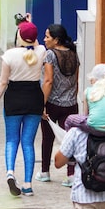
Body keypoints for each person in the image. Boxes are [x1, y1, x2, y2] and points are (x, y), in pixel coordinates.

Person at [0, 19, 46, 197]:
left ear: (19, 36)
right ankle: (28, 184)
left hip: (14, 98)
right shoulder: (42, 51)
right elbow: (35, 43)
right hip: (34, 99)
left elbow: (3, 82)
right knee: (28, 143)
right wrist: (29, 27)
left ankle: (10, 173)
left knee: (12, 140)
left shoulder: (10, 55)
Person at [37, 24, 80, 185]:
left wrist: (42, 104)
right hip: (70, 103)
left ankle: (45, 171)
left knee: (47, 138)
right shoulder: (73, 53)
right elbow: (76, 79)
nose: (44, 39)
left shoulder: (50, 55)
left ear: (56, 40)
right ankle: (71, 174)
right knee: (69, 138)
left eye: (47, 37)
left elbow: (48, 81)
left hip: (52, 102)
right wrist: (72, 97)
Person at [68, 64, 105, 133]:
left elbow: (85, 115)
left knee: (69, 119)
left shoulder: (88, 91)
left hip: (93, 127)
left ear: (94, 79)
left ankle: (70, 137)